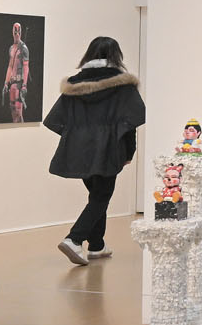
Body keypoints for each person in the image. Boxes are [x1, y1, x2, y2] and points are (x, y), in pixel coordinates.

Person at [43, 36, 146, 266]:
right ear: (116, 55)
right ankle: (74, 239)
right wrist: (129, 152)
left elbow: (56, 120)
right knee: (102, 196)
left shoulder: (74, 85)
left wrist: (77, 139)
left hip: (79, 150)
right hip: (109, 148)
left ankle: (97, 245)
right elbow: (131, 122)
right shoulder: (123, 85)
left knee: (97, 195)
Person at [2, 21, 32, 123]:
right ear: (12, 32)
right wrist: (6, 83)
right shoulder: (11, 48)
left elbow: (26, 67)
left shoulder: (23, 48)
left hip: (19, 84)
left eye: (18, 32)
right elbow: (10, 66)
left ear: (21, 32)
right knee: (13, 111)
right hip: (12, 84)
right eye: (15, 32)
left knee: (19, 113)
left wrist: (24, 85)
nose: (17, 34)